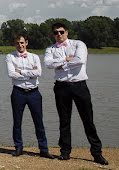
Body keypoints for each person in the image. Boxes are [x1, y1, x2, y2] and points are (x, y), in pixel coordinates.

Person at [44, 21, 108, 165]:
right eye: (56, 32)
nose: (59, 35)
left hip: (79, 86)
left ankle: (97, 153)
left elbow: (80, 60)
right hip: (61, 87)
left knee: (88, 120)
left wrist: (60, 64)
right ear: (53, 34)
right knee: (64, 121)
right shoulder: (50, 49)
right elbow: (48, 64)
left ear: (67, 32)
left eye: (61, 32)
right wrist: (65, 59)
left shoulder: (79, 44)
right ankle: (65, 152)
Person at [5, 34, 55, 159]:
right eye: (17, 43)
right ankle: (18, 147)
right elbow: (12, 74)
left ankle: (43, 149)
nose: (20, 45)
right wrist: (30, 73)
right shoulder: (10, 57)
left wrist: (21, 71)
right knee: (17, 121)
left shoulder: (34, 56)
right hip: (18, 92)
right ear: (14, 44)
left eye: (22, 42)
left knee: (39, 122)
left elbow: (38, 73)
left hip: (34, 93)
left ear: (26, 42)